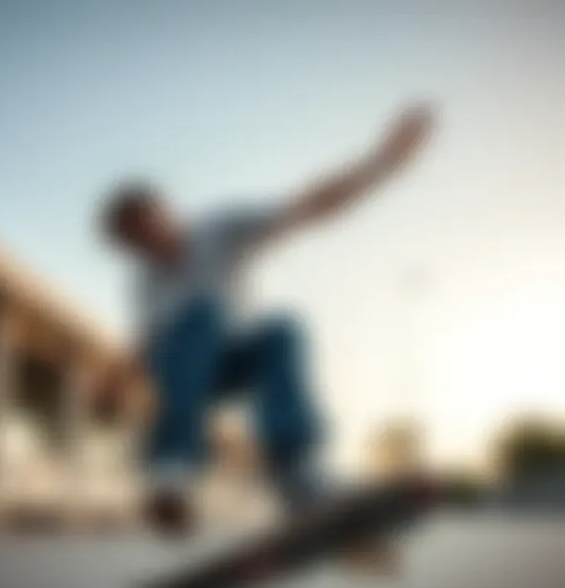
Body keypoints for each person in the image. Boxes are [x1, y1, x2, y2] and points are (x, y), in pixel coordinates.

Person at [94, 104, 436, 536]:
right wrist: (112, 382)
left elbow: (310, 205)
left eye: (151, 232)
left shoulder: (220, 227)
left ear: (166, 213)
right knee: (198, 316)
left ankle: (293, 470)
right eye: (137, 245)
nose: (151, 249)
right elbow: (144, 341)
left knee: (282, 328)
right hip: (185, 372)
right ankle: (172, 470)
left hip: (233, 362)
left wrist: (382, 161)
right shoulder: (144, 281)